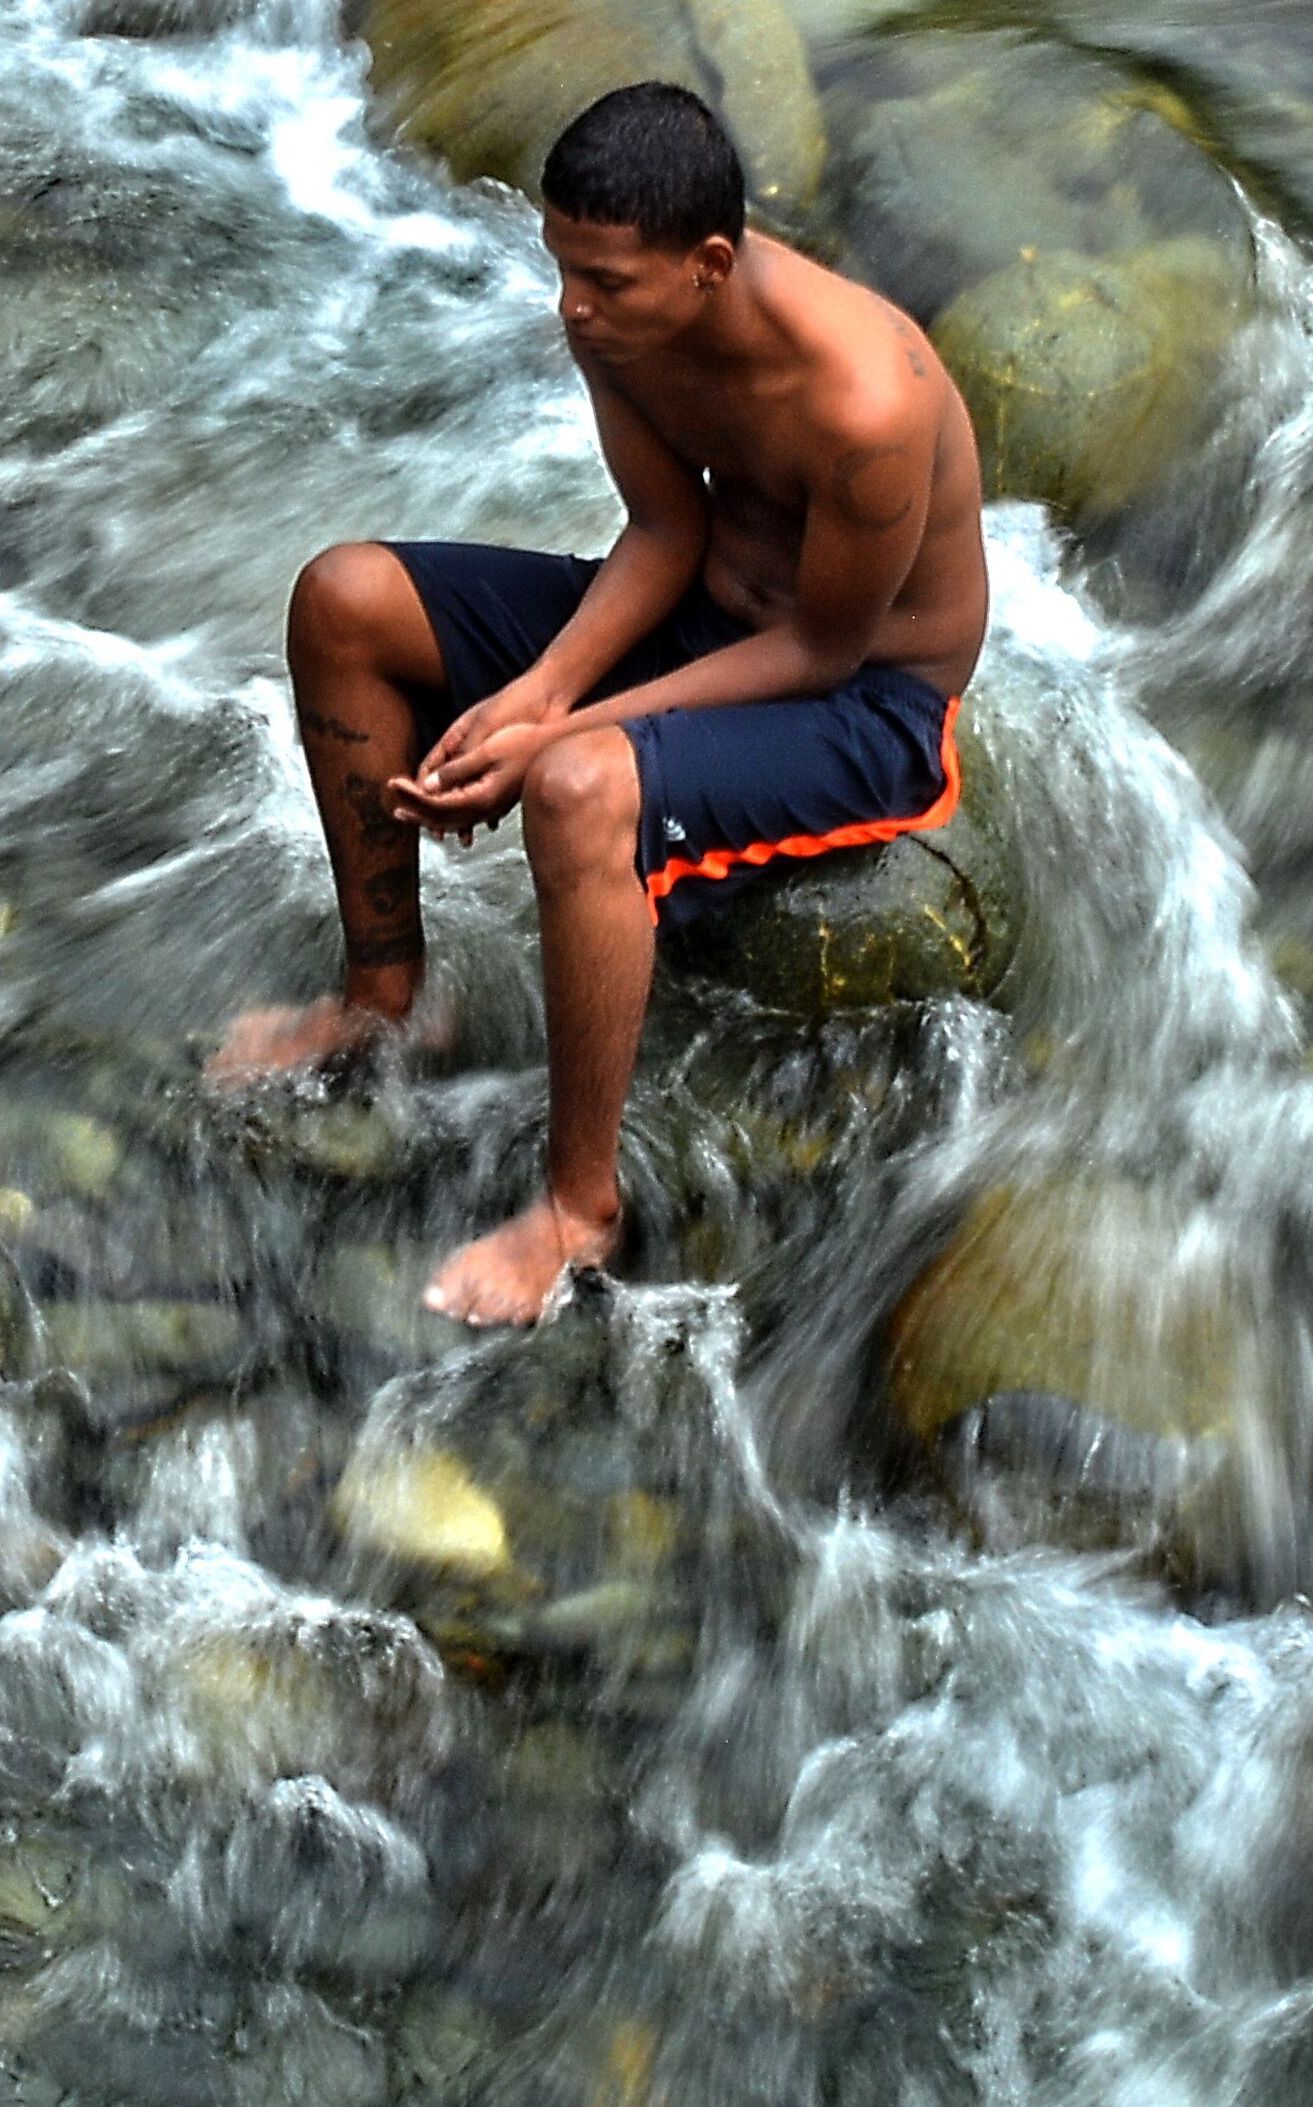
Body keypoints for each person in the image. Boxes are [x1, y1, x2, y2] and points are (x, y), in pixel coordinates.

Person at [212, 79, 990, 1325]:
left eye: (607, 281)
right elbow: (665, 527)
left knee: (576, 792)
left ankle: (580, 1207)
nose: (572, 306)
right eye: (560, 267)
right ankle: (383, 1000)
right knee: (344, 599)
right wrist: (537, 687)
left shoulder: (865, 401)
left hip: (864, 705)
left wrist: (558, 736)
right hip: (703, 625)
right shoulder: (619, 321)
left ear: (710, 263)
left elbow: (820, 648)